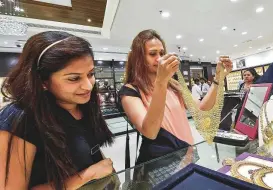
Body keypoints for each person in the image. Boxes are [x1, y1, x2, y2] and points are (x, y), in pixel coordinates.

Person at [0, 31, 114, 189]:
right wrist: (87, 176)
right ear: (42, 81)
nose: (88, 85)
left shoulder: (83, 104)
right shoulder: (21, 118)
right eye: (74, 78)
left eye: (91, 74)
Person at [119, 29, 232, 165]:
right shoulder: (130, 91)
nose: (159, 58)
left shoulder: (173, 84)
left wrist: (218, 78)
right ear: (139, 58)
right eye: (152, 54)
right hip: (160, 161)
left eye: (162, 53)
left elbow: (201, 108)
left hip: (186, 153)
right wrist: (161, 82)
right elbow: (150, 132)